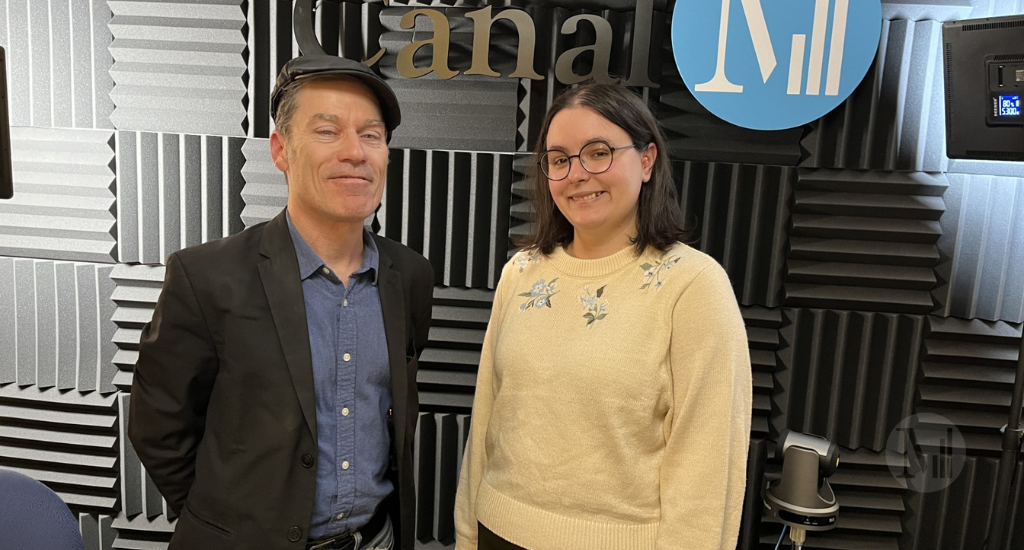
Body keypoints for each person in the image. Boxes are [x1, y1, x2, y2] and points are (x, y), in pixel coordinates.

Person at [128, 55, 434, 550]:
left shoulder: (411, 276)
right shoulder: (206, 276)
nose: (355, 152)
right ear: (280, 150)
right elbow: (158, 424)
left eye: (371, 135)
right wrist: (228, 524)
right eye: (328, 131)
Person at [453, 82, 752, 550]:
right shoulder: (522, 273)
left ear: (647, 159)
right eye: (559, 160)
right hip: (499, 532)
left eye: (598, 153)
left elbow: (707, 465)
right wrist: (468, 533)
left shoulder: (693, 286)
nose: (578, 174)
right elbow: (488, 415)